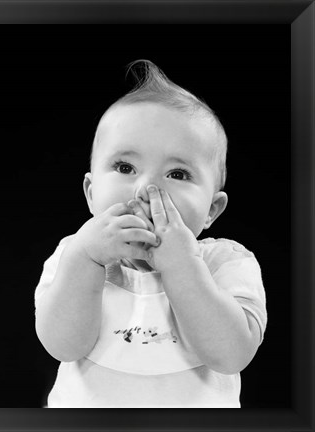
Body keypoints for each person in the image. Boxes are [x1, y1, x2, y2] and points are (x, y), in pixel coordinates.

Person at [34, 59, 267, 408]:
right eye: (125, 167)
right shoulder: (76, 254)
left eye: (178, 174)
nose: (145, 187)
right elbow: (63, 346)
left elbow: (231, 356)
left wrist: (182, 265)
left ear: (211, 210)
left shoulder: (224, 264)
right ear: (91, 192)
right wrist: (86, 259)